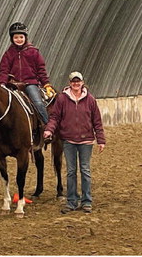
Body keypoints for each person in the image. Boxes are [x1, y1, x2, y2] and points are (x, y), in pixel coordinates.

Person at [43, 71, 106, 214]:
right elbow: (55, 117)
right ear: (69, 83)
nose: (75, 84)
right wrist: (49, 130)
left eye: (78, 81)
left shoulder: (90, 100)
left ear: (82, 82)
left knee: (85, 170)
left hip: (86, 140)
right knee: (71, 172)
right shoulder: (62, 99)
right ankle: (71, 201)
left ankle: (86, 201)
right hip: (69, 140)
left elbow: (97, 121)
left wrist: (100, 140)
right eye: (73, 81)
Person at [0, 22, 55, 124]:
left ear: (25, 37)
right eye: (16, 37)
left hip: (30, 83)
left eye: (21, 37)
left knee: (38, 103)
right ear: (12, 39)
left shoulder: (33, 52)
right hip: (13, 84)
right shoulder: (8, 54)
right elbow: (4, 70)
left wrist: (46, 84)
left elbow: (41, 70)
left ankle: (48, 127)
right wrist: (1, 84)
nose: (19, 39)